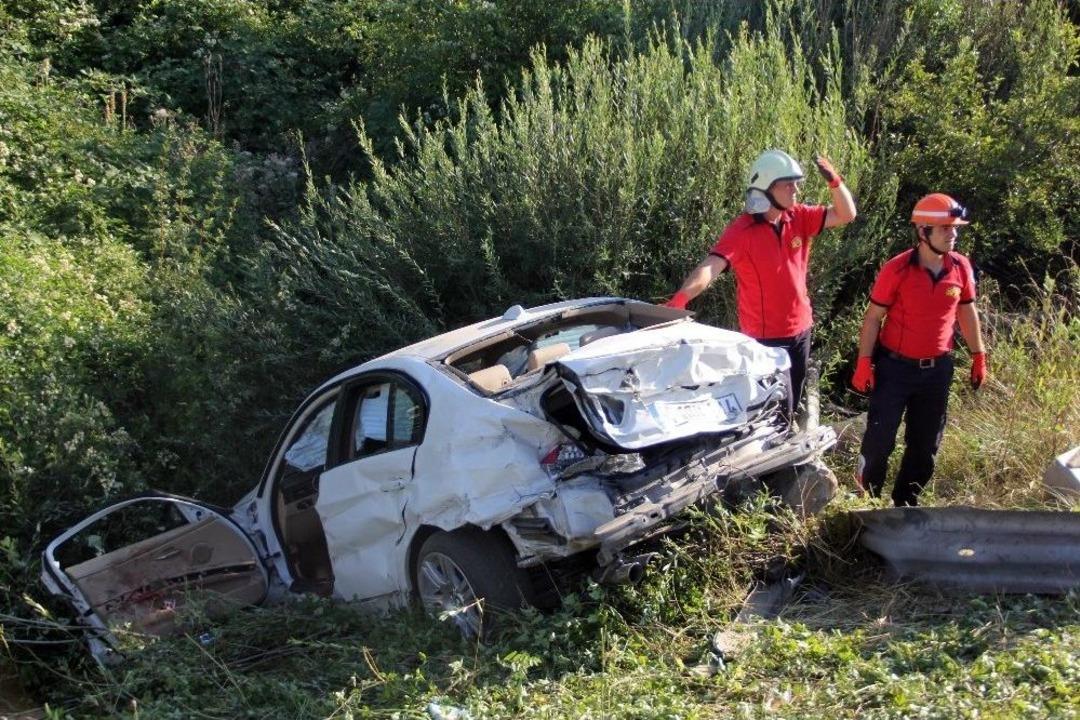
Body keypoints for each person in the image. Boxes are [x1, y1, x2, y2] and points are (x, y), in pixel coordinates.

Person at [665, 149, 857, 413]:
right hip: (765, 339)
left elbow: (847, 214)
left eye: (796, 184)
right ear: (767, 188)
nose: (795, 191)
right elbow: (711, 267)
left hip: (801, 330)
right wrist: (682, 297)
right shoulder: (742, 231)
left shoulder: (799, 216)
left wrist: (835, 181)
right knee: (769, 409)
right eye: (788, 184)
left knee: (792, 401)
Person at [850, 193, 988, 506]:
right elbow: (873, 318)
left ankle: (905, 506)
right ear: (923, 232)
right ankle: (864, 504)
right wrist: (864, 362)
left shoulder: (961, 267)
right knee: (879, 442)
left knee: (924, 446)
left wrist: (979, 355)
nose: (953, 234)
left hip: (936, 371)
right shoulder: (897, 269)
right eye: (946, 229)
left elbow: (966, 311)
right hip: (894, 370)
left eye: (955, 229)